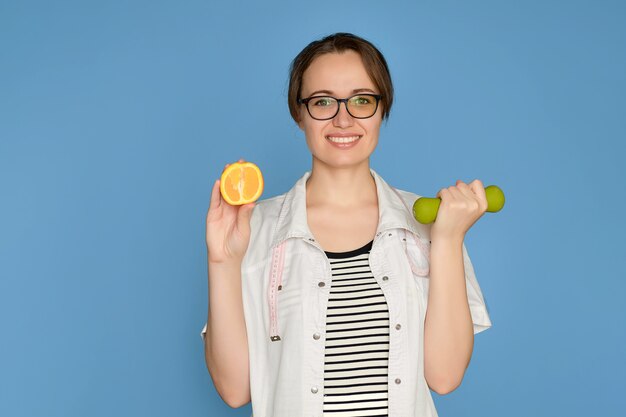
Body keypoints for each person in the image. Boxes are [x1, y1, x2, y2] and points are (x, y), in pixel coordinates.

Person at [201, 32, 492, 417]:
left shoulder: (431, 225)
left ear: (381, 108)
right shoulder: (254, 228)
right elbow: (235, 390)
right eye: (323, 102)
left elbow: (445, 377)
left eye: (361, 100)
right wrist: (221, 261)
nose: (343, 119)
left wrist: (450, 239)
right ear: (298, 112)